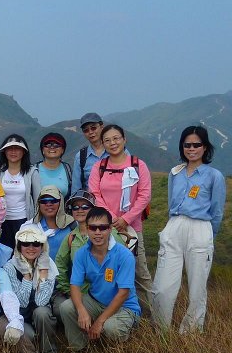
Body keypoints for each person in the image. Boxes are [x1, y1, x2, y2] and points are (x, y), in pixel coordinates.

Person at [152, 125, 226, 332]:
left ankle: (191, 334)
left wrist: (209, 234)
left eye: (196, 144)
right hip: (175, 225)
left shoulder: (214, 176)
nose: (191, 149)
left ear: (205, 147)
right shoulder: (175, 173)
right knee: (163, 287)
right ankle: (161, 332)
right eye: (187, 145)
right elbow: (170, 204)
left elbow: (217, 210)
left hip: (201, 228)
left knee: (197, 288)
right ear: (182, 146)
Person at [59, 207, 141, 353]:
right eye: (93, 228)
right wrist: (82, 311)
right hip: (96, 300)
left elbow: (123, 293)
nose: (98, 232)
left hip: (125, 306)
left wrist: (100, 321)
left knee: (111, 328)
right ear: (87, 229)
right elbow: (74, 285)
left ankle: (118, 351)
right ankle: (80, 349)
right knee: (67, 307)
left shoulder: (124, 255)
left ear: (110, 229)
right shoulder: (82, 253)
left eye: (102, 228)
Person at [89, 124, 153, 311]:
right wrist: (112, 218)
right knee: (109, 273)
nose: (112, 143)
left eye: (116, 138)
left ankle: (152, 320)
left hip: (132, 229)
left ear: (125, 139)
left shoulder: (138, 165)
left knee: (140, 274)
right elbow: (94, 193)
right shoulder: (99, 167)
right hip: (105, 229)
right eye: (107, 140)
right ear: (102, 144)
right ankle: (116, 314)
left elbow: (144, 195)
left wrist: (126, 219)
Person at [53, 189, 124, 320]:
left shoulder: (110, 233)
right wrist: (70, 291)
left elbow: (123, 263)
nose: (80, 210)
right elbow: (59, 266)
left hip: (109, 295)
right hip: (83, 295)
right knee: (64, 308)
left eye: (85, 206)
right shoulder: (71, 238)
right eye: (75, 207)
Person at [3, 223, 59, 353]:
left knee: (42, 312)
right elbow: (21, 302)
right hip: (21, 316)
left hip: (38, 314)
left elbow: (42, 301)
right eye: (25, 243)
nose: (31, 247)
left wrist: (43, 273)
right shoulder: (10, 267)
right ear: (18, 246)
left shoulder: (48, 265)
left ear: (42, 246)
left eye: (36, 244)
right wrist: (27, 277)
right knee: (29, 335)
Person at [29, 186, 75, 261]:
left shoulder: (72, 225)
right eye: (44, 201)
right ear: (38, 204)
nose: (48, 204)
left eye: (53, 200)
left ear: (61, 202)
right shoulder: (30, 227)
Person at [72, 112, 107, 193]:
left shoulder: (116, 150)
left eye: (93, 128)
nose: (90, 132)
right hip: (91, 203)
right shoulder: (80, 157)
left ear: (102, 127)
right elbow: (76, 189)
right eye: (86, 130)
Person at [32, 133, 72, 198]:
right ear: (42, 150)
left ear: (62, 150)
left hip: (63, 207)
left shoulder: (68, 169)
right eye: (48, 145)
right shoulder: (34, 170)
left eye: (56, 145)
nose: (52, 147)